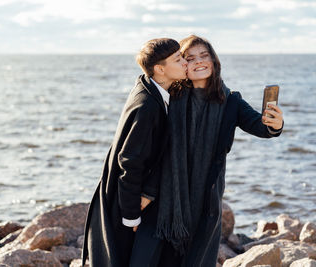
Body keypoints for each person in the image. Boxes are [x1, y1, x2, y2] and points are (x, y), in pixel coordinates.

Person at [151, 35, 284, 266]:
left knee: (199, 257)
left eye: (204, 55)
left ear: (214, 60)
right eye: (190, 58)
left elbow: (261, 128)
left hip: (207, 195)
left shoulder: (231, 101)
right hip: (170, 194)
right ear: (183, 65)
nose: (199, 62)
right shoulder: (171, 97)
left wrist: (276, 124)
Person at [82, 38, 188, 267]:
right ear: (160, 69)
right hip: (123, 202)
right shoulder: (147, 105)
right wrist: (131, 217)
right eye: (178, 59)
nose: (185, 62)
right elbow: (129, 161)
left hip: (127, 195)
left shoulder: (150, 88)